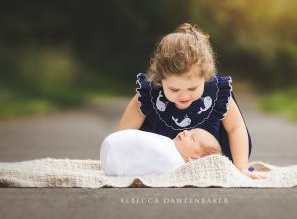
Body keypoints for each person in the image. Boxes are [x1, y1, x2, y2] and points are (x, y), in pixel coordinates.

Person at [117, 22, 266, 179]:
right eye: (174, 90)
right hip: (155, 165)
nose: (184, 96)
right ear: (160, 78)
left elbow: (235, 128)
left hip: (207, 163)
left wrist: (241, 167)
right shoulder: (148, 95)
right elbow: (123, 136)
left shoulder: (217, 93)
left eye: (192, 89)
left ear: (206, 76)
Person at [100, 128, 222, 176]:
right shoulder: (168, 145)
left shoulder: (176, 163)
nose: (186, 132)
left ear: (194, 159)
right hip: (117, 147)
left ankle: (120, 165)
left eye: (192, 138)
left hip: (114, 149)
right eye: (190, 131)